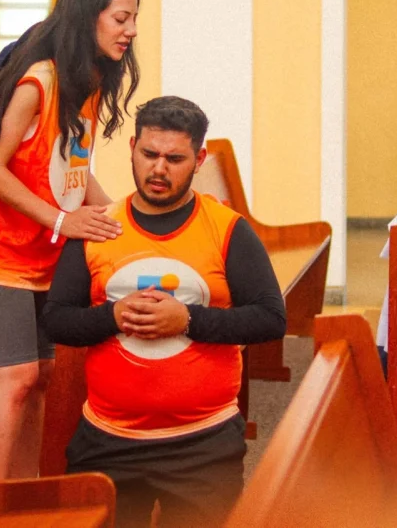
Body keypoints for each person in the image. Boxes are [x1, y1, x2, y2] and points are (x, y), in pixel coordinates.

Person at [41, 96, 286, 528]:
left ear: (199, 160)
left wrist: (188, 320)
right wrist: (113, 316)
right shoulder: (99, 227)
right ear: (132, 148)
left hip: (204, 444)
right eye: (149, 154)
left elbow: (270, 318)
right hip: (109, 442)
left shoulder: (227, 228)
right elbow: (57, 321)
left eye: (174, 159)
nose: (158, 169)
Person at [0, 0, 140, 481]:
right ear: (88, 16)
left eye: (134, 19)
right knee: (16, 375)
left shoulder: (88, 80)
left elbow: (74, 169)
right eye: (121, 18)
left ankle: (24, 489)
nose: (130, 30)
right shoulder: (40, 80)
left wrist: (124, 219)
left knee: (43, 374)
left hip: (41, 245)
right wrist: (63, 220)